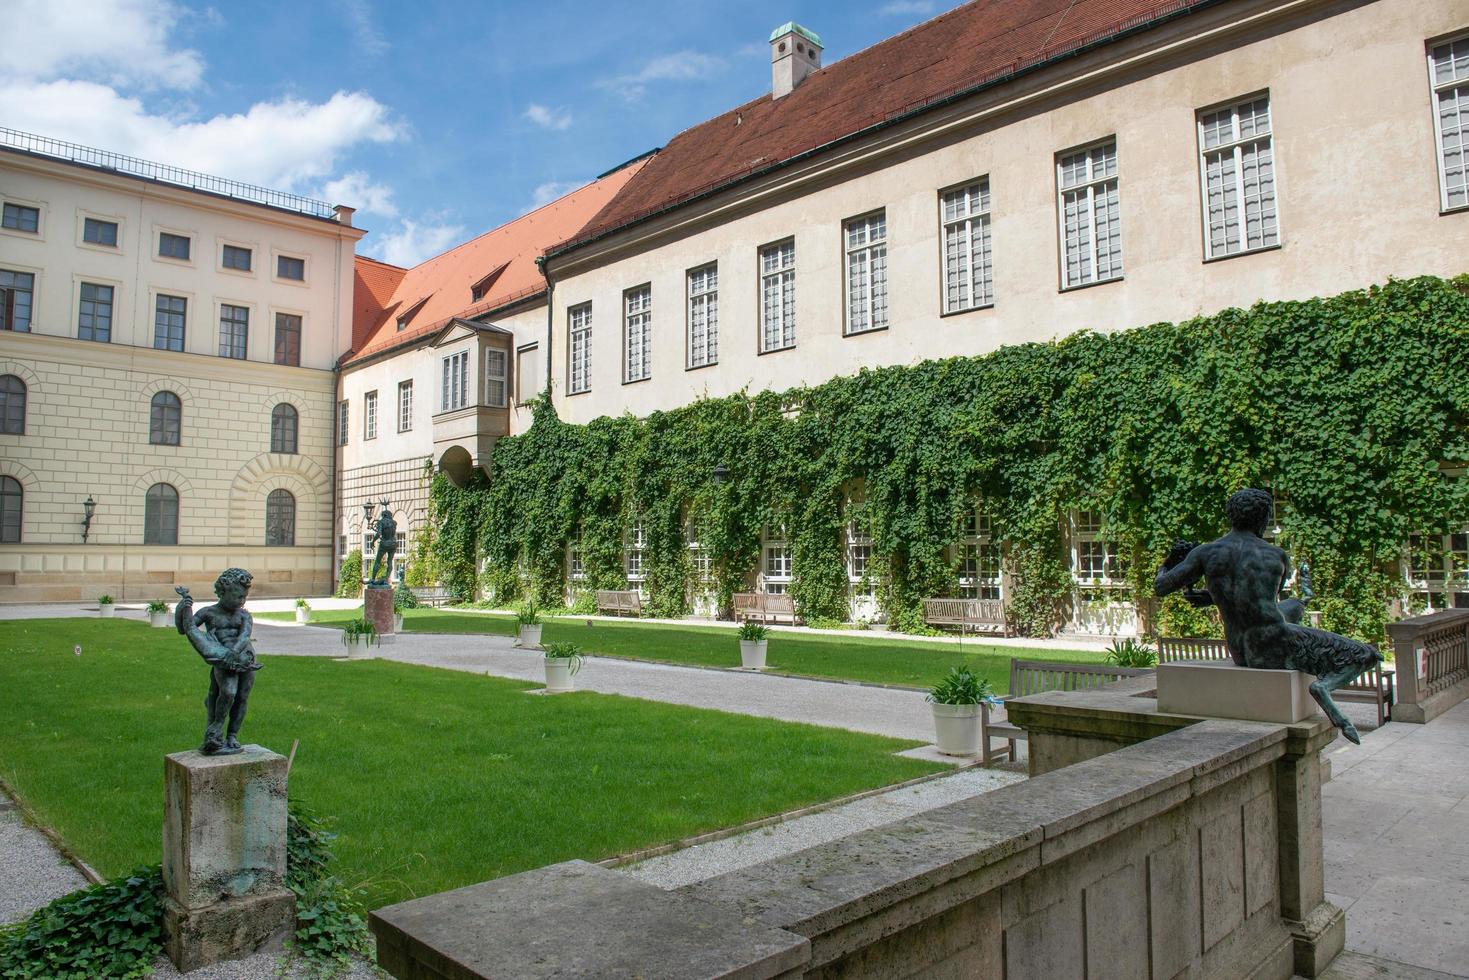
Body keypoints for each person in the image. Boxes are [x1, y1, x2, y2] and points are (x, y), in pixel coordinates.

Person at [1154, 488, 1382, 744]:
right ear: (1263, 519)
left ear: (1231, 516)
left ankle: (1306, 639)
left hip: (1240, 650)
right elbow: (1265, 596)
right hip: (1274, 645)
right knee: (1367, 654)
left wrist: (1172, 562)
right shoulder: (1276, 555)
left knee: (1295, 605)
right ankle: (1323, 687)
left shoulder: (1207, 552)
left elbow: (1161, 587)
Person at [175, 568, 262, 755]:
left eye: (244, 597)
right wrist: (182, 608)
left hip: (244, 658)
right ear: (223, 592)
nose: (241, 601)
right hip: (222, 658)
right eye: (238, 596)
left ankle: (232, 735)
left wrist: (235, 652)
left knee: (242, 697)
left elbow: (245, 635)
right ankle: (216, 730)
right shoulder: (209, 613)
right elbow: (185, 628)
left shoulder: (244, 615)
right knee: (228, 692)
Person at [368, 508, 397, 585]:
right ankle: (386, 579)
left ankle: (373, 579)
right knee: (390, 561)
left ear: (383, 515)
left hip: (384, 543)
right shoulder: (394, 523)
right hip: (393, 544)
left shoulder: (381, 522)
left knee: (377, 561)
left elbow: (378, 534)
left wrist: (372, 541)